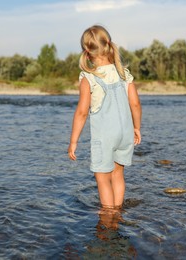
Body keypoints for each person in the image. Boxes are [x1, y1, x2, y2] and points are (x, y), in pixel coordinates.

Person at [68, 25, 142, 210]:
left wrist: (73, 141)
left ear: (86, 51)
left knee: (102, 178)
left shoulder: (89, 77)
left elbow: (82, 112)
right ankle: (118, 211)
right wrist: (137, 128)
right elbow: (135, 104)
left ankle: (108, 217)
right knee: (118, 175)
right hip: (125, 134)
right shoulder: (123, 73)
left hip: (105, 137)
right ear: (108, 44)